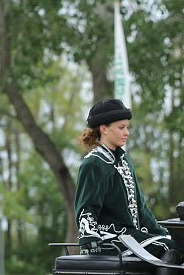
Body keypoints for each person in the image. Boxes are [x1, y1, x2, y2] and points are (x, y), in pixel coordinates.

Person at [75, 99, 177, 260]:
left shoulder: (124, 160)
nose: (126, 132)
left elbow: (140, 206)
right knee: (169, 248)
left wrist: (161, 231)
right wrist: (89, 235)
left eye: (127, 127)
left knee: (179, 244)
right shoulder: (94, 162)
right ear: (104, 129)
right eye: (121, 127)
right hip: (108, 240)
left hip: (132, 237)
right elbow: (86, 206)